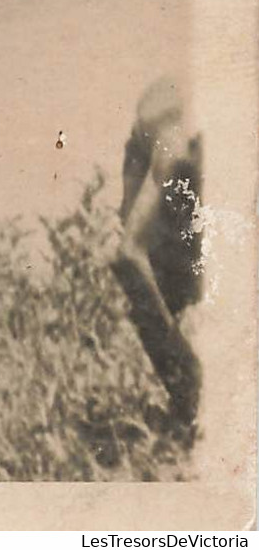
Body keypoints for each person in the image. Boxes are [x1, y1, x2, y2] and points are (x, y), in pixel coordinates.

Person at [111, 75, 202, 429]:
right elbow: (128, 253)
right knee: (140, 275)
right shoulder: (170, 148)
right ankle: (190, 407)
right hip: (158, 143)